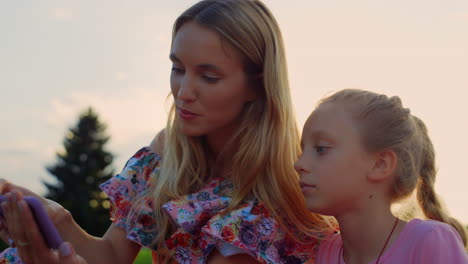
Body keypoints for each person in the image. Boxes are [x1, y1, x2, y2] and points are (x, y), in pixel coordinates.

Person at [0, 1, 333, 263]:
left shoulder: (286, 187)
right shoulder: (164, 153)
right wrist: (59, 222)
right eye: (177, 68)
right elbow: (112, 257)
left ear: (257, 85)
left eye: (208, 76)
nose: (183, 91)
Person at [295, 88, 468, 264]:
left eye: (321, 149)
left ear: (380, 164)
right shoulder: (326, 252)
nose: (299, 164)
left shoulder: (429, 242)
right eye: (303, 151)